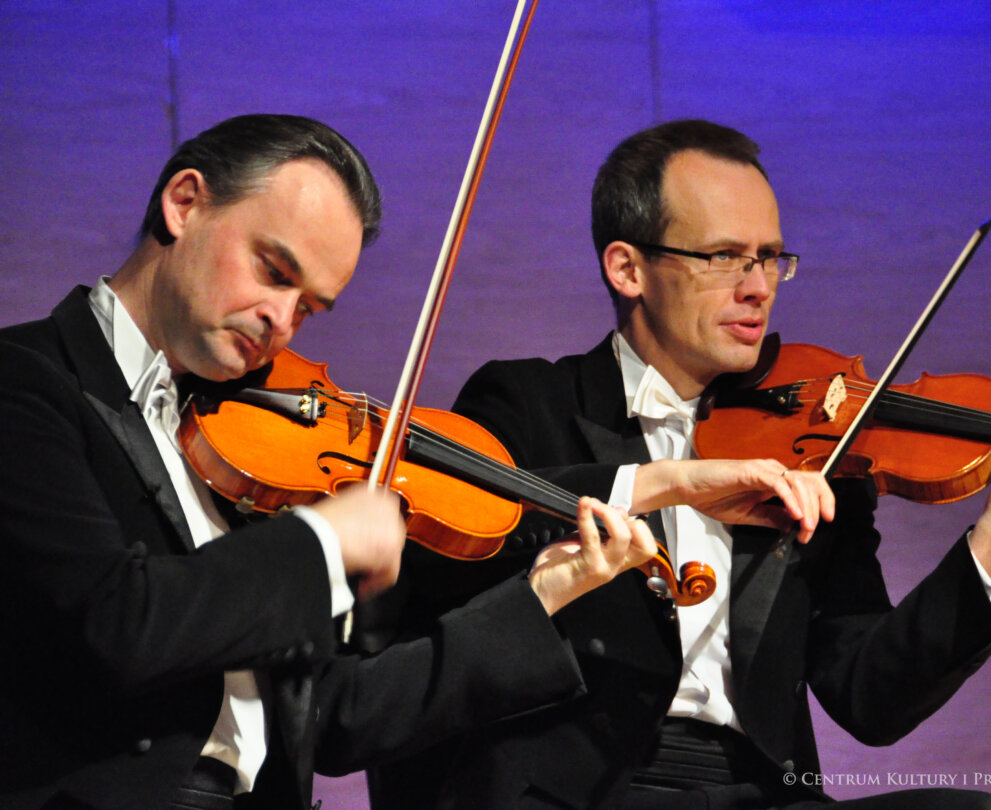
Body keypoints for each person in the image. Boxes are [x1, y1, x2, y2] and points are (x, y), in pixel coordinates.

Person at [367, 119, 991, 809]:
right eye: (725, 257)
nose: (758, 287)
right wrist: (655, 489)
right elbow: (477, 551)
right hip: (580, 791)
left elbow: (871, 697)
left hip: (760, 791)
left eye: (769, 258)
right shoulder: (527, 402)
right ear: (628, 268)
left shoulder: (814, 449)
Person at [0, 114, 661, 809]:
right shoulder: (25, 382)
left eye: (309, 307)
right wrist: (321, 540)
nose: (281, 321)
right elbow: (114, 623)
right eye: (274, 272)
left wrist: (541, 597)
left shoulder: (244, 443)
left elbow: (332, 715)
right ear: (184, 203)